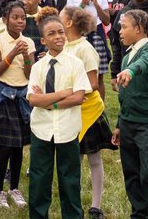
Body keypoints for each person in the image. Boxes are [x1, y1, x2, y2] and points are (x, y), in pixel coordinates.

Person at [26, 12, 89, 219]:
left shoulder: (75, 64)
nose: (58, 37)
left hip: (67, 129)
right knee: (39, 179)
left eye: (61, 32)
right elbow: (33, 100)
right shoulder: (37, 67)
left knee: (69, 180)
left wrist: (48, 101)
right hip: (41, 129)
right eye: (52, 34)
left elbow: (78, 97)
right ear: (43, 40)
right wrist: (63, 93)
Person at [112, 9, 148, 219]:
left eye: (124, 26)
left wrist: (130, 71)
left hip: (146, 122)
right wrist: (120, 124)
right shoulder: (127, 54)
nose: (120, 31)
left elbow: (145, 63)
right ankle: (139, 213)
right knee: (131, 173)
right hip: (128, 122)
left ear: (138, 29)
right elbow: (124, 97)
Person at [62, 6, 117, 219]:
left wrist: (65, 93)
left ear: (68, 23)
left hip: (89, 110)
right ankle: (73, 202)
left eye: (60, 18)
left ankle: (95, 206)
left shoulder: (84, 48)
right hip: (70, 108)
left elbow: (93, 83)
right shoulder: (63, 46)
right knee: (74, 159)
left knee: (94, 158)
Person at [0, 1, 33, 209]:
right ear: (5, 19)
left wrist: (25, 56)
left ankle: (14, 187)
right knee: (6, 146)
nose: (20, 21)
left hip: (23, 97)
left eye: (23, 18)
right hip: (4, 95)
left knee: (19, 146)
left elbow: (29, 74)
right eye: (15, 17)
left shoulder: (29, 42)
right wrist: (13, 53)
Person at [65, 0, 112, 75]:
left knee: (99, 73)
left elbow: (106, 21)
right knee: (79, 72)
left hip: (96, 33)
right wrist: (82, 4)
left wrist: (96, 4)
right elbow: (70, 19)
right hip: (79, 34)